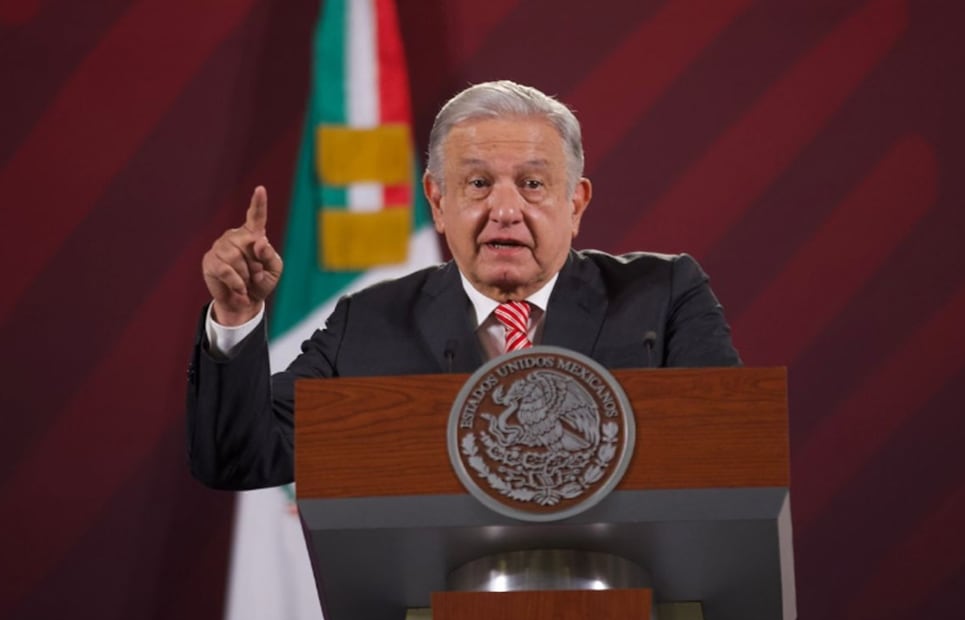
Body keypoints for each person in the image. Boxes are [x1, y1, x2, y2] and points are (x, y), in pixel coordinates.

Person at [188, 80, 741, 491]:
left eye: (532, 184)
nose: (504, 209)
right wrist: (235, 319)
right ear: (436, 201)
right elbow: (238, 458)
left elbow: (730, 456)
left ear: (575, 204)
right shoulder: (369, 323)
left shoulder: (663, 296)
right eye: (478, 183)